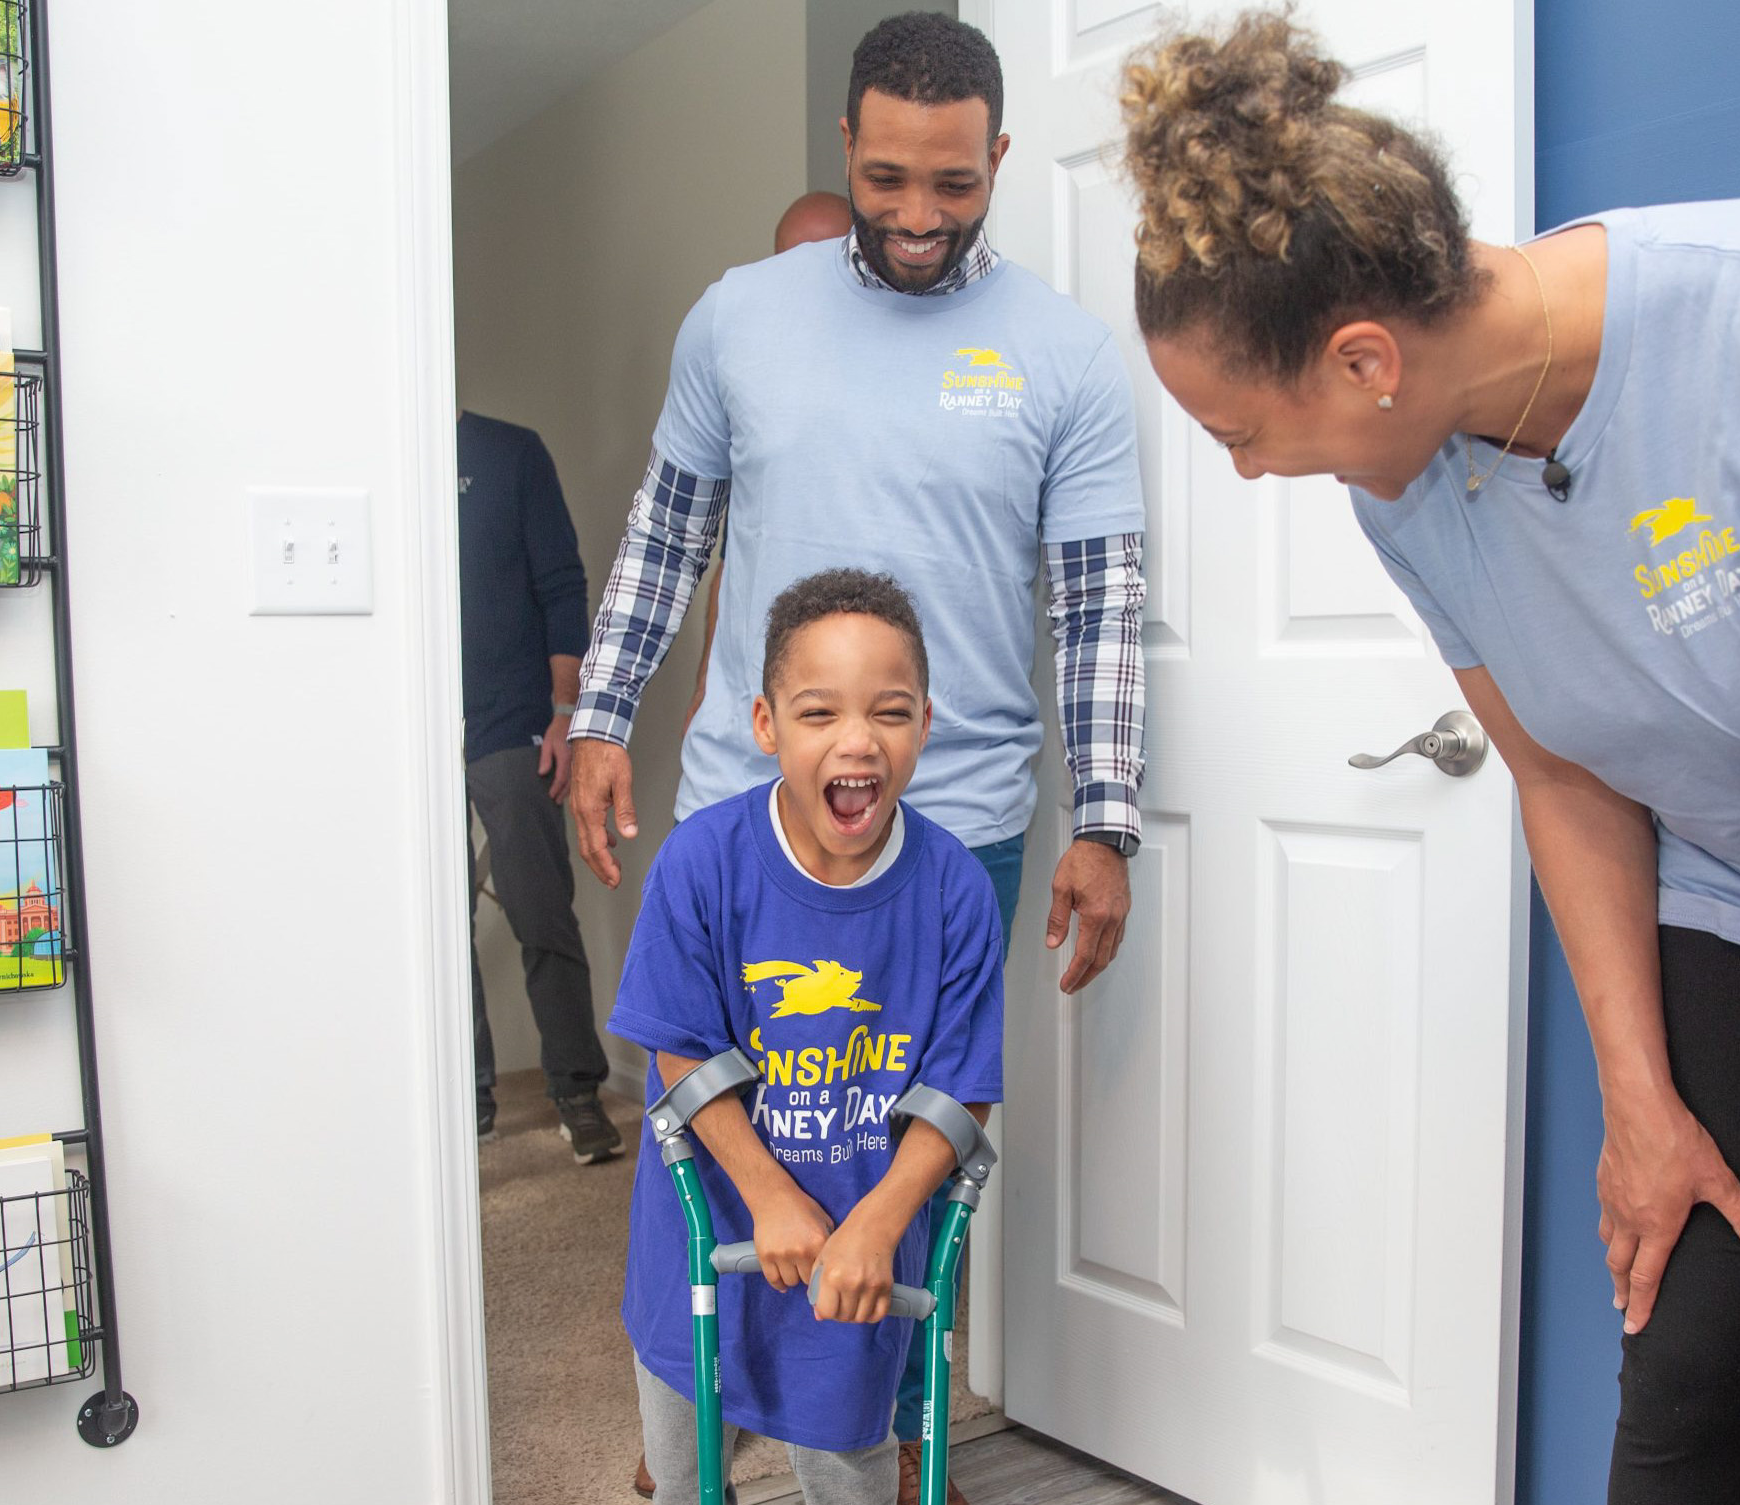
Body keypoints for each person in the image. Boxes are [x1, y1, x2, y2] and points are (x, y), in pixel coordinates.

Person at [1117, 14, 1740, 1503]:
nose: (1243, 474)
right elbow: (1559, 775)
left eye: (1240, 433)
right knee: (1689, 1369)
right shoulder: (1410, 482)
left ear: (1362, 358)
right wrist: (1639, 1107)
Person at [573, 18, 1147, 1493]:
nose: (913, 215)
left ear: (999, 160)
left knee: (901, 1150)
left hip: (953, 831)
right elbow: (665, 535)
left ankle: (881, 1433)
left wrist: (1107, 816)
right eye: (885, 177)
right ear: (843, 147)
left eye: (952, 187)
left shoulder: (1066, 357)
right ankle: (682, 1410)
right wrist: (597, 719)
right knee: (712, 1137)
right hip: (737, 818)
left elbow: (1094, 610)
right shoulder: (735, 318)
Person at [612, 569, 1002, 1505]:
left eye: (890, 712)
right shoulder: (702, 862)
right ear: (765, 724)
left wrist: (876, 1222)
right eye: (818, 712)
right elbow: (681, 1048)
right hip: (709, 1227)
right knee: (686, 1468)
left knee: (847, 1462)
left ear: (925, 723)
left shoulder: (953, 889)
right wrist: (768, 1197)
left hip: (861, 1244)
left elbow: (960, 1088)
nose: (857, 740)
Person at [459, 411, 620, 1163]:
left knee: (539, 911)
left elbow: (562, 584)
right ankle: (468, 1099)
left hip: (510, 723)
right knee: (430, 932)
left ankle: (578, 1091)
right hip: (408, 740)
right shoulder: (378, 455)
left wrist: (564, 713)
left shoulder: (509, 453)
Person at [683, 190, 858, 735]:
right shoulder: (754, 388)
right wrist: (705, 695)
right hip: (772, 723)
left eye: (824, 257)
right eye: (788, 264)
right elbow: (733, 564)